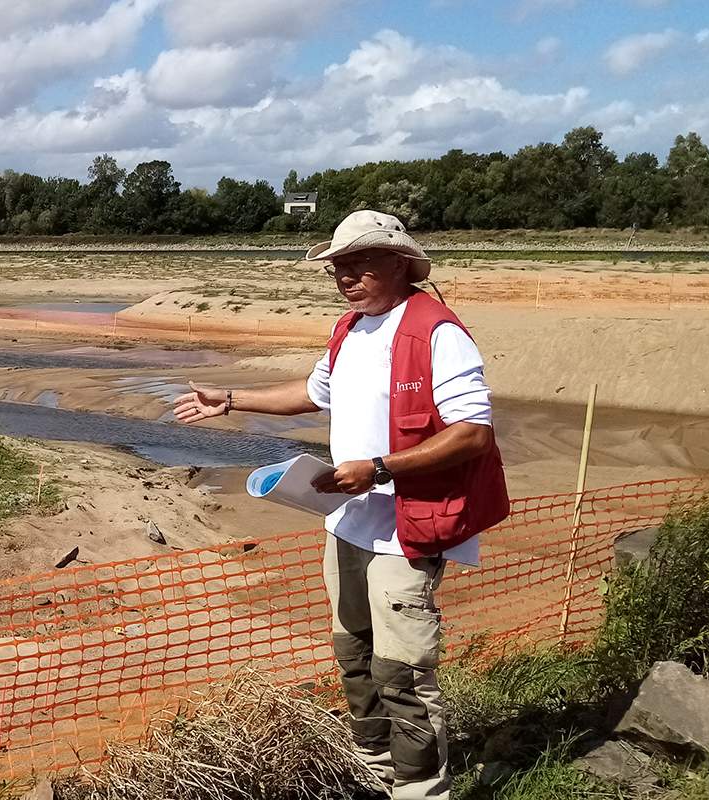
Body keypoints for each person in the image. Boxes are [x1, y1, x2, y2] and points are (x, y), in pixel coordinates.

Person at [172, 209, 509, 800]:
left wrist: (377, 469)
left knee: (401, 671)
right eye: (338, 267)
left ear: (399, 263)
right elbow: (312, 393)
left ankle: (421, 790)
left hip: (408, 528)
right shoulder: (350, 328)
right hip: (349, 523)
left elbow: (473, 434)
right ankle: (377, 773)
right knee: (354, 656)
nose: (345, 276)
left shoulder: (437, 333)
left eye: (359, 263)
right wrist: (230, 399)